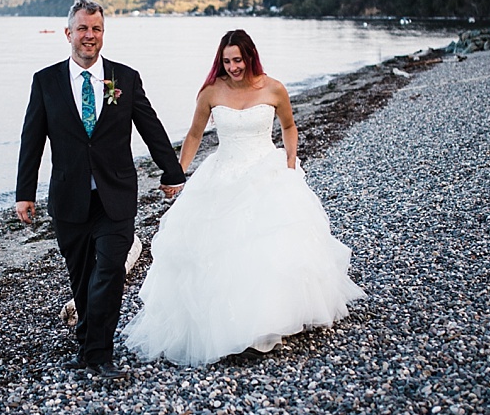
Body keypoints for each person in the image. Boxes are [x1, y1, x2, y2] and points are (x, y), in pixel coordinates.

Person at [123, 29, 366, 367]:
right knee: (219, 248)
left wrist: (290, 164)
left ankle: (267, 324)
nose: (233, 67)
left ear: (250, 56)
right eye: (226, 61)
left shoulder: (273, 88)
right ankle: (227, 325)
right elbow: (194, 134)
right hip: (222, 171)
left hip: (266, 171)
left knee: (266, 250)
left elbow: (289, 127)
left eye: (238, 59)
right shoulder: (211, 91)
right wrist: (177, 172)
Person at [16, 0, 186, 379]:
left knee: (109, 271)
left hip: (116, 195)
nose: (89, 35)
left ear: (103, 34)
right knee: (80, 276)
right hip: (69, 198)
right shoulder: (46, 82)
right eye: (82, 28)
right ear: (68, 34)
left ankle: (99, 353)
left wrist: (172, 172)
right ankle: (87, 340)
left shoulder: (125, 78)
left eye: (96, 29)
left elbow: (151, 127)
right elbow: (32, 139)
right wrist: (24, 192)